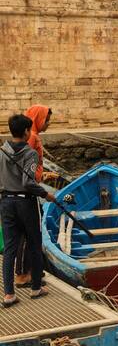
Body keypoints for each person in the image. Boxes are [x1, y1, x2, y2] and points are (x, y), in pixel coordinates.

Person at [1, 113, 56, 306]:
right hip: (26, 202)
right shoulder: (30, 153)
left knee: (10, 248)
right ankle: (35, 287)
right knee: (34, 242)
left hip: (6, 201)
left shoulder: (2, 151)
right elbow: (28, 182)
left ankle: (8, 294)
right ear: (26, 132)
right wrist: (45, 194)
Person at [14, 103, 52, 284]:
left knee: (29, 233)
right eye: (47, 120)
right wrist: (42, 191)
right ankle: (23, 274)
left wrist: (41, 175)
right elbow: (26, 167)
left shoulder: (32, 136)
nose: (48, 124)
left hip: (25, 189)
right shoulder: (32, 137)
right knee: (27, 234)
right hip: (27, 192)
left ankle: (31, 271)